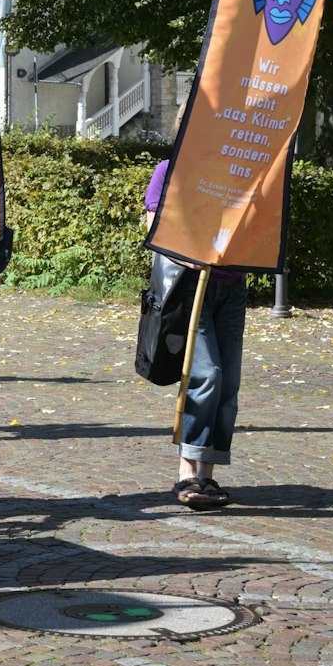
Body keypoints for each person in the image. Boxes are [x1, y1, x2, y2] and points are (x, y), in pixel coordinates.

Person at [145, 157, 246, 511]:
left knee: (228, 382)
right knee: (207, 375)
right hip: (191, 288)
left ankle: (208, 472)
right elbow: (155, 227)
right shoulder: (170, 169)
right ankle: (187, 471)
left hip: (232, 286)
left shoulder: (239, 168)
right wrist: (189, 254)